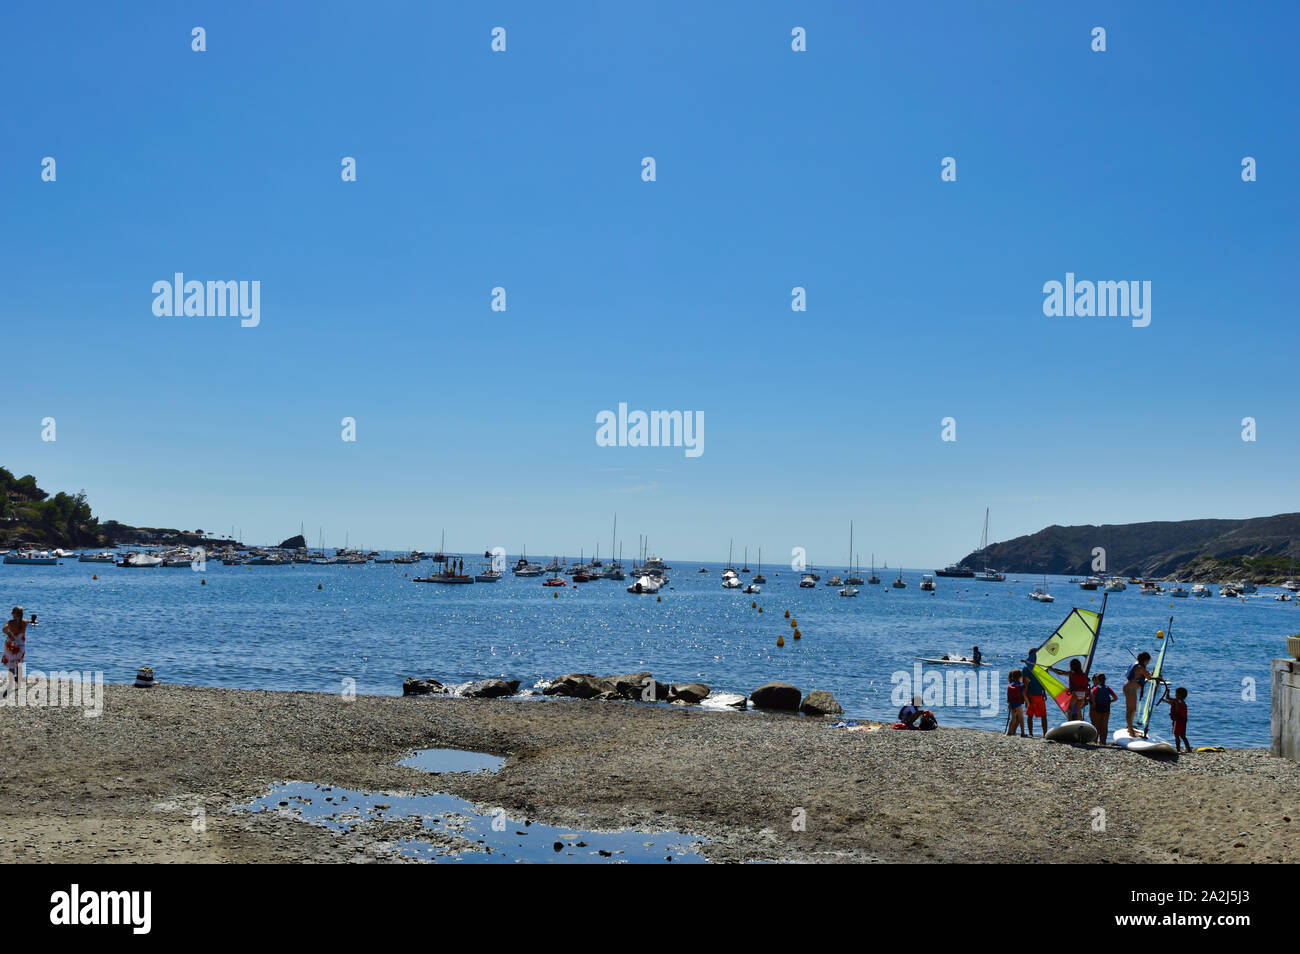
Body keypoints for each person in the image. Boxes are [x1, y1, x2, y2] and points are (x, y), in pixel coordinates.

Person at [2, 606, 36, 699]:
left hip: (11, 645)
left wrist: (9, 634)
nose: (11, 613)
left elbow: (4, 629)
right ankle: (19, 683)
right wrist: (33, 621)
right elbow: (32, 622)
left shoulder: (10, 622)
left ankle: (11, 685)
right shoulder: (24, 622)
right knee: (19, 663)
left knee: (11, 665)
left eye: (13, 612)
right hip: (21, 646)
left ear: (15, 613)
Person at [1123, 652, 1154, 736]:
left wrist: (1147, 672)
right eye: (1148, 661)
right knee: (1130, 710)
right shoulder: (1141, 667)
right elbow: (1149, 677)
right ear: (1146, 660)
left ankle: (1130, 728)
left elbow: (1142, 675)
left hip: (1130, 688)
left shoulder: (1137, 665)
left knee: (1132, 710)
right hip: (1130, 689)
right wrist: (1152, 672)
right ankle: (1130, 730)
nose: (1148, 662)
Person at [1023, 648, 1048, 737]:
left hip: (1038, 695)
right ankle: (1032, 733)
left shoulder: (1040, 667)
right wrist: (1026, 698)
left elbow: (1043, 681)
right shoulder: (1028, 668)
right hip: (1031, 695)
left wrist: (1044, 692)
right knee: (1031, 715)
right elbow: (1025, 684)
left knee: (1043, 715)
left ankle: (1044, 734)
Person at [1090, 673, 1118, 743]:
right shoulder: (1108, 688)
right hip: (1106, 708)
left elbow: (1093, 698)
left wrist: (1093, 705)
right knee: (1105, 725)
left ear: (1098, 680)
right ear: (1105, 680)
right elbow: (1115, 698)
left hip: (1098, 708)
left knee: (1096, 725)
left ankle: (1094, 740)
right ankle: (1103, 741)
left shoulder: (1095, 688)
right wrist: (1109, 701)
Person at [1162, 686, 1190, 752]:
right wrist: (1163, 701)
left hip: (1178, 720)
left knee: (1176, 735)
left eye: (1176, 694)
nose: (1175, 695)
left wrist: (1167, 692)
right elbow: (1171, 703)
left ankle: (1178, 749)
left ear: (1179, 695)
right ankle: (1188, 749)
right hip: (1183, 720)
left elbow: (1168, 698)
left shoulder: (1177, 700)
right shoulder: (1182, 702)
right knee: (1183, 736)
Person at [1006, 669, 1026, 737]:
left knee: (1013, 718)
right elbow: (1023, 695)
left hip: (1012, 704)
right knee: (1021, 718)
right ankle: (1022, 733)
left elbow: (1009, 696)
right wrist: (1027, 702)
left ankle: (1009, 732)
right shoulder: (1021, 685)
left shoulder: (1010, 685)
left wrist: (1009, 704)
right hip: (1018, 704)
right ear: (1020, 677)